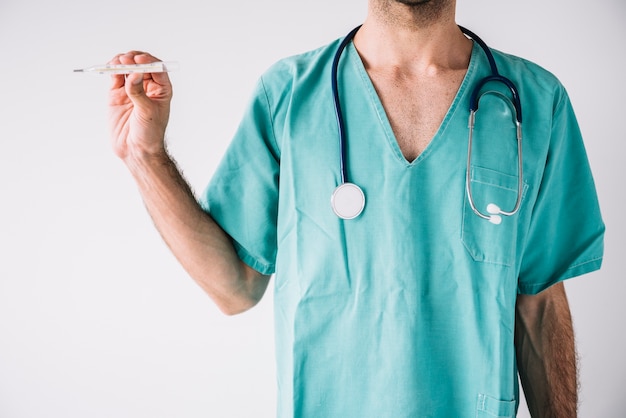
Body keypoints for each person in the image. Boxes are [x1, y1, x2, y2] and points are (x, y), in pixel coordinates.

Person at [107, 0, 604, 416]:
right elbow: (234, 286)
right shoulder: (289, 94)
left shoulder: (534, 103)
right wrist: (144, 155)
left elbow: (538, 305)